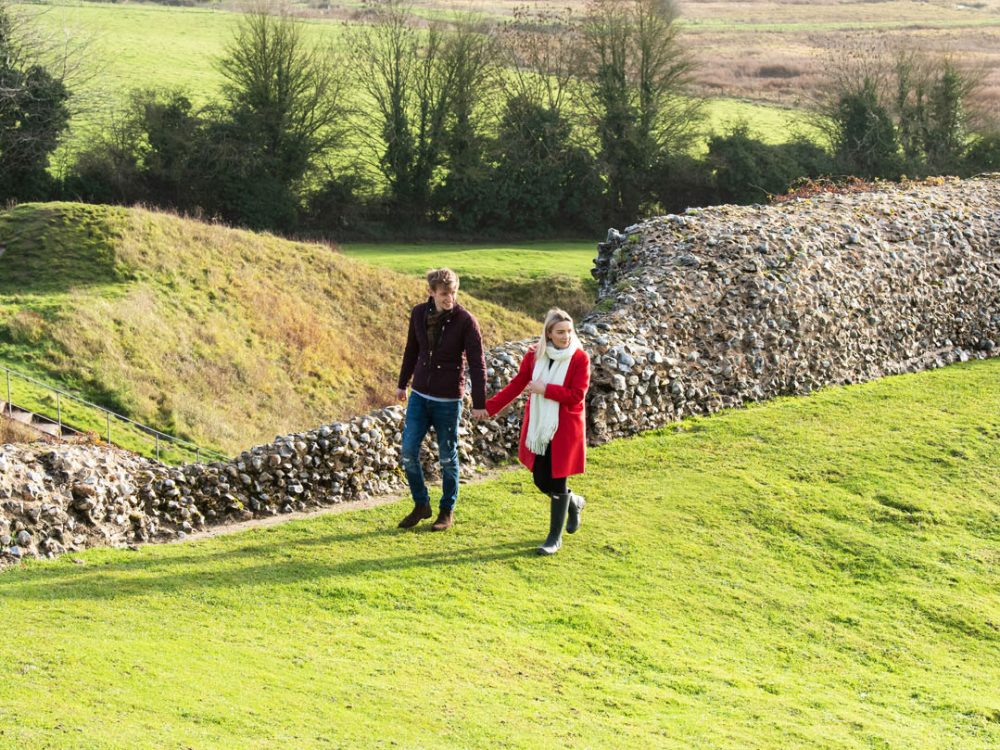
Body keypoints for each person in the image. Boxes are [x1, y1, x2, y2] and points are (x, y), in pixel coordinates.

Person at [484, 308, 590, 555]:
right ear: (549, 333)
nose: (566, 337)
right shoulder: (534, 354)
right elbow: (518, 384)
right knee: (541, 480)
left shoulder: (579, 358)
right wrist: (489, 407)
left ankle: (554, 538)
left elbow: (577, 396)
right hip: (540, 425)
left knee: (558, 477)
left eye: (569, 331)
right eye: (560, 332)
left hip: (565, 427)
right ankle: (573, 502)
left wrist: (546, 389)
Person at [396, 268, 488, 531]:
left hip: (448, 400)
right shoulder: (418, 313)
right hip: (419, 395)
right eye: (445, 293)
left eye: (454, 293)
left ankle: (446, 510)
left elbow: (478, 363)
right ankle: (421, 504)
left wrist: (480, 402)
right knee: (408, 452)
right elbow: (411, 349)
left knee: (448, 456)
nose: (450, 298)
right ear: (432, 292)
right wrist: (402, 384)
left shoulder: (466, 321)